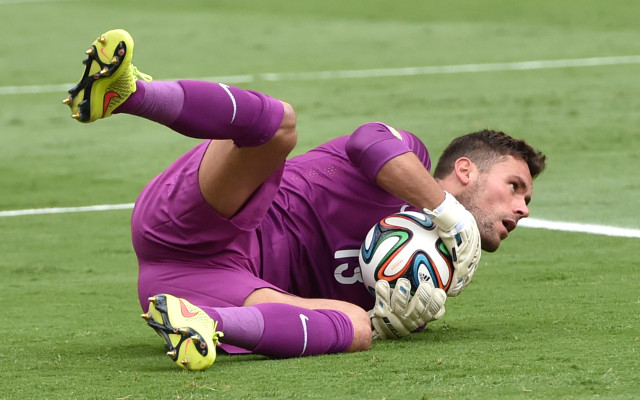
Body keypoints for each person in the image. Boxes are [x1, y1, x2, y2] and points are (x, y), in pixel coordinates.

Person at [63, 29, 546, 371]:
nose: (524, 207)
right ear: (466, 170)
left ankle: (203, 325)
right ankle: (127, 93)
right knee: (278, 125)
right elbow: (366, 141)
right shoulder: (407, 157)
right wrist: (448, 211)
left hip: (210, 286)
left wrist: (385, 321)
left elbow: (329, 314)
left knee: (355, 329)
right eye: (515, 186)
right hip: (211, 219)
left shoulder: (430, 279)